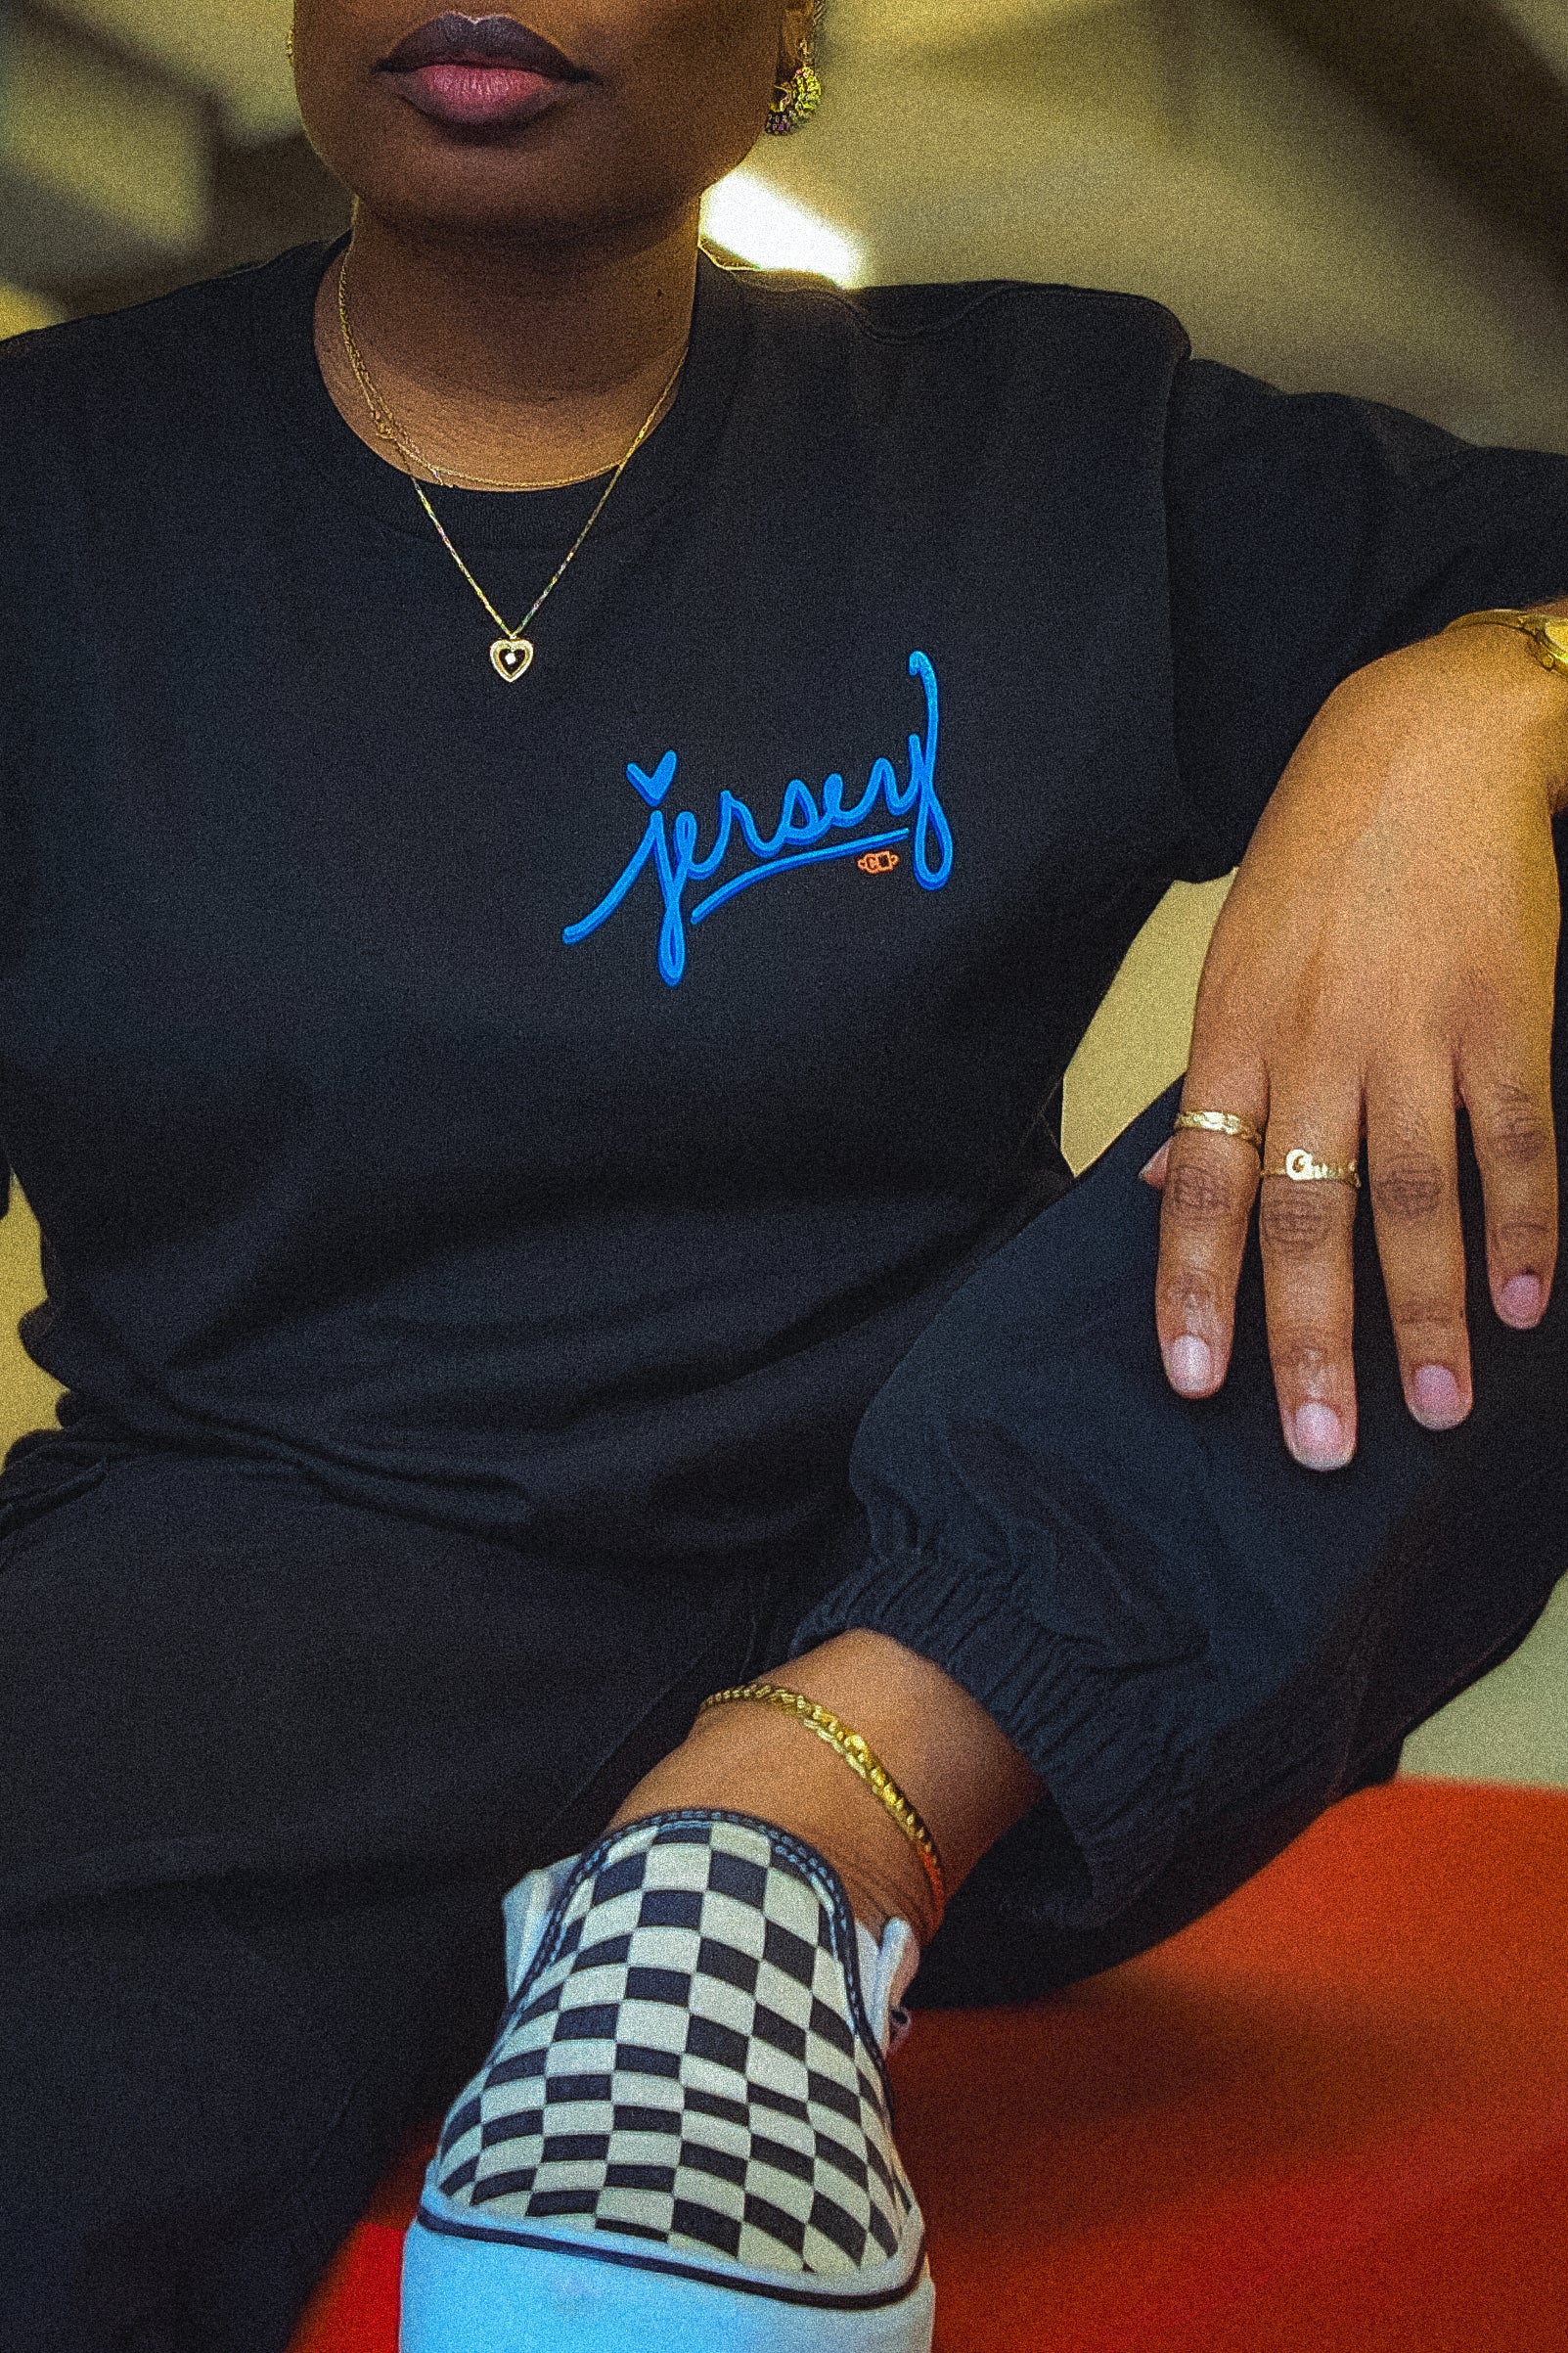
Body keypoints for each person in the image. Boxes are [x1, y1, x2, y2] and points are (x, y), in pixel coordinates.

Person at [2, 1, 1567, 2347]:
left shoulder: (1057, 438)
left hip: (997, 1632)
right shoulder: (50, 491)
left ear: (793, 28)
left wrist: (1479, 695)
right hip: (252, 1637)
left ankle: (773, 1850)